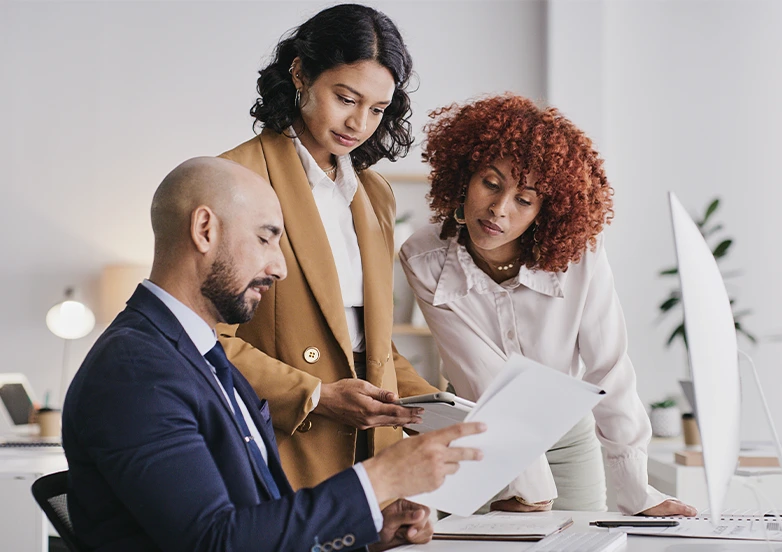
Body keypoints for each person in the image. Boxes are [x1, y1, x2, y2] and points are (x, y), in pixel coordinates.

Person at [62, 157, 485, 551]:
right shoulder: (136, 371)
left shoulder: (198, 352)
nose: (280, 268)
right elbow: (215, 542)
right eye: (266, 239)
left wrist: (368, 530)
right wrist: (379, 479)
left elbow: (256, 523)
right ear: (204, 229)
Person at [399, 95, 697, 517]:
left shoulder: (581, 255)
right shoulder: (424, 256)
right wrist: (526, 486)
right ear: (465, 175)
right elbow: (478, 373)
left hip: (568, 437)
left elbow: (608, 367)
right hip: (478, 432)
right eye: (491, 183)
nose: (499, 209)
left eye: (524, 199)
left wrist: (636, 491)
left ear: (546, 210)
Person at [217, 4, 438, 490]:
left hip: (372, 447)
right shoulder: (237, 180)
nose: (359, 123)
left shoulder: (374, 193)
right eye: (345, 98)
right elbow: (206, 339)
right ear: (300, 73)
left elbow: (370, 344)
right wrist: (315, 394)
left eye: (377, 109)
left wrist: (444, 411)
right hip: (283, 441)